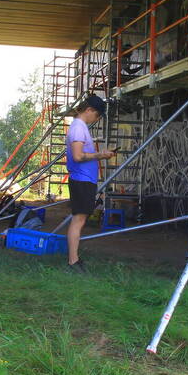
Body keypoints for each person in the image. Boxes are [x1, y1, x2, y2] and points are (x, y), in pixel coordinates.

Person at [64, 94, 115, 272]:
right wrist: (100, 155)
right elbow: (78, 156)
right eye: (98, 115)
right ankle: (73, 261)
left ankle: (74, 259)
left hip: (84, 179)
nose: (97, 118)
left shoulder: (80, 127)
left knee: (80, 219)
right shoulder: (78, 128)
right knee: (78, 220)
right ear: (89, 110)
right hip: (81, 179)